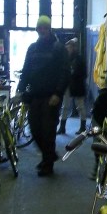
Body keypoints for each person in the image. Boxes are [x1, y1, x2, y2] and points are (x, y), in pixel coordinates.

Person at [16, 15, 70, 177]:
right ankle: (50, 155)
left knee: (48, 131)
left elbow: (65, 73)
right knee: (34, 128)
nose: (42, 30)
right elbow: (26, 71)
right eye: (39, 28)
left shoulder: (58, 48)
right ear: (37, 29)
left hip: (51, 97)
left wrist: (58, 93)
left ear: (49, 28)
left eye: (45, 27)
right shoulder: (32, 48)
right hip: (34, 95)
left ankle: (47, 164)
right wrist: (20, 89)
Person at [58, 38, 87, 135]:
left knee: (80, 107)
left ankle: (83, 127)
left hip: (78, 85)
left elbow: (84, 73)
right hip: (68, 85)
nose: (67, 49)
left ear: (73, 48)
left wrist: (74, 76)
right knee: (65, 107)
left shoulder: (80, 59)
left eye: (69, 47)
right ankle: (62, 128)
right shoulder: (65, 59)